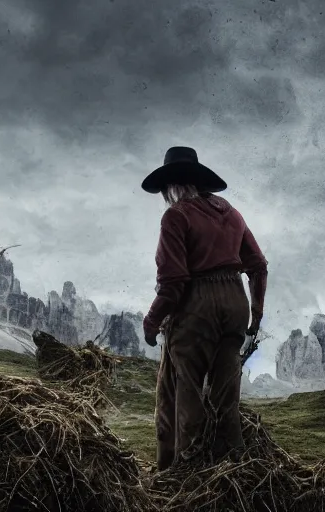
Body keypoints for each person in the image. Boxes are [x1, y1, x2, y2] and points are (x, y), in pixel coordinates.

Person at [139, 146, 268, 471]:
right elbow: (258, 265)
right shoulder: (232, 213)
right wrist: (256, 311)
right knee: (227, 392)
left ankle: (185, 472)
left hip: (198, 306)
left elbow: (174, 282)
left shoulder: (176, 216)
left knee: (188, 390)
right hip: (235, 303)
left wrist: (151, 322)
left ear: (170, 186)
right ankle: (236, 467)